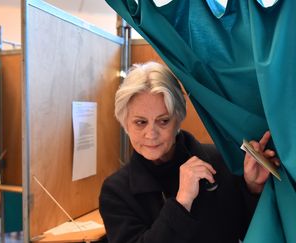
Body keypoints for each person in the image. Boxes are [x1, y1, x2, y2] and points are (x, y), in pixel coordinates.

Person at [99, 61, 279, 243]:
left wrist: (253, 189)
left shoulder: (221, 161)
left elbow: (252, 232)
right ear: (125, 124)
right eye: (140, 122)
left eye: (163, 121)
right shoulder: (116, 191)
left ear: (178, 118)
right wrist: (182, 202)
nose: (151, 134)